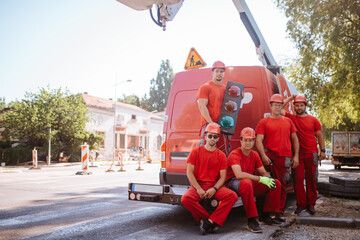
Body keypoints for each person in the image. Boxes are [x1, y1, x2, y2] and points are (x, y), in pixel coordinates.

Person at [181, 123, 238, 235]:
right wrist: (198, 189)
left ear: (218, 138)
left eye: (215, 136)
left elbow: (223, 177)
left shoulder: (221, 155)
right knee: (186, 199)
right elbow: (189, 173)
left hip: (213, 185)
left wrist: (214, 189)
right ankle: (211, 221)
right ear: (205, 136)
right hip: (199, 185)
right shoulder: (195, 152)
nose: (212, 138)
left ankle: (208, 222)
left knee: (232, 196)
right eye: (210, 136)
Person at [227, 127, 282, 233]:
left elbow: (263, 172)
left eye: (250, 140)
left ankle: (266, 216)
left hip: (248, 182)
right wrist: (260, 179)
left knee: (276, 183)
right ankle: (252, 221)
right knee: (247, 183)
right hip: (234, 183)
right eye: (245, 140)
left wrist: (267, 178)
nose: (248, 143)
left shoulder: (254, 154)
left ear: (253, 141)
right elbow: (238, 174)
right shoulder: (235, 154)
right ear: (241, 141)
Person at [255, 94, 299, 222]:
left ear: (281, 106)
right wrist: (263, 155)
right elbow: (258, 140)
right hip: (269, 156)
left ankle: (279, 212)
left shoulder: (288, 121)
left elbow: (295, 139)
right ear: (271, 106)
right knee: (268, 184)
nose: (277, 107)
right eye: (275, 105)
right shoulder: (264, 122)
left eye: (280, 105)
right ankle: (266, 214)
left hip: (285, 158)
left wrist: (295, 155)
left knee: (283, 185)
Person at [281, 95, 325, 215]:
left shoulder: (313, 120)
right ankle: (301, 204)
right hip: (298, 154)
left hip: (312, 153)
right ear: (294, 106)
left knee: (311, 179)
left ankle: (311, 204)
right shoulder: (291, 118)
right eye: (297, 105)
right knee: (298, 180)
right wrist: (290, 98)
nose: (299, 107)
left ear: (305, 106)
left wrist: (323, 150)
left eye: (301, 105)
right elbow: (279, 108)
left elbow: (320, 135)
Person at [197, 61, 227, 151]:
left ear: (224, 73)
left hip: (221, 126)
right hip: (208, 126)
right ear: (212, 72)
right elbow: (202, 106)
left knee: (221, 152)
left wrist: (241, 94)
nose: (219, 74)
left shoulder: (226, 88)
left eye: (221, 71)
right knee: (205, 153)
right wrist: (211, 123)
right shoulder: (205, 87)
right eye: (217, 71)